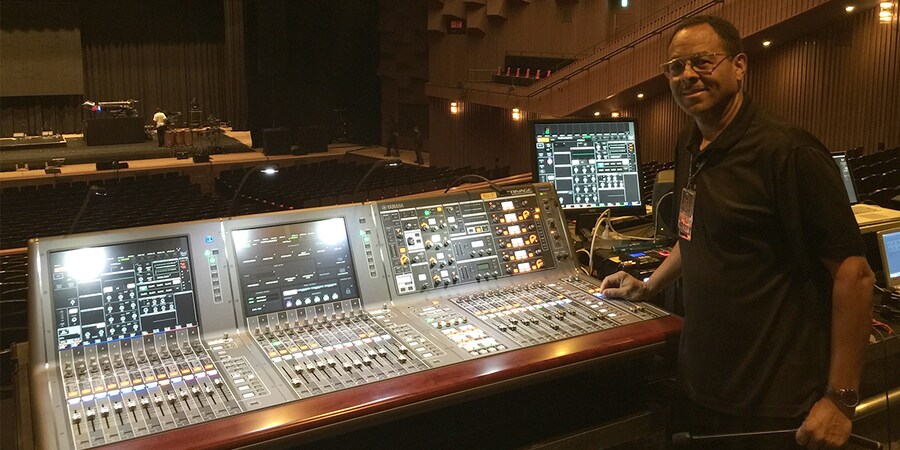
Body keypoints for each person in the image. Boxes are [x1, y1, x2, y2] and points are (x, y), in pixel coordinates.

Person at [598, 16, 873, 449]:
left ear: (739, 65)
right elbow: (694, 235)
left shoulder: (789, 152)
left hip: (774, 402)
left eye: (702, 61)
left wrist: (841, 399)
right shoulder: (689, 142)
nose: (688, 75)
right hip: (703, 385)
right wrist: (649, 285)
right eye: (676, 67)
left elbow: (855, 275)